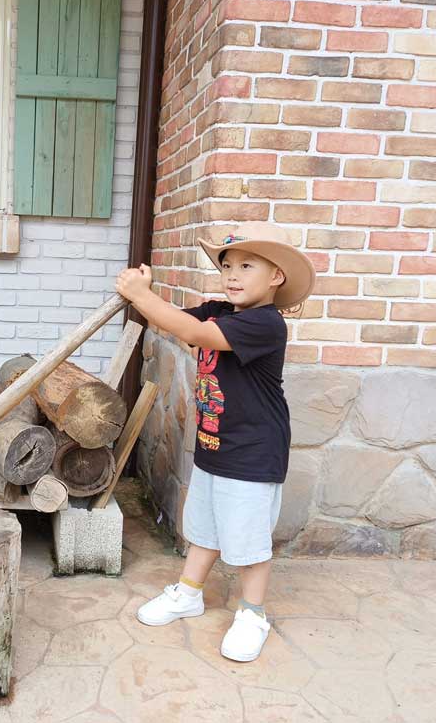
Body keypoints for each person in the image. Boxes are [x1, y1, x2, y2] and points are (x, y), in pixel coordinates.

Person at [114, 221, 316, 662]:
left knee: (247, 539)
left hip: (253, 450)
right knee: (204, 525)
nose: (232, 274)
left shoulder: (265, 325)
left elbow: (197, 335)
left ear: (276, 277)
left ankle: (252, 613)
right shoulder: (220, 311)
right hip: (214, 442)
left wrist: (143, 296)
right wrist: (145, 295)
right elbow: (180, 322)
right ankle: (189, 592)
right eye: (227, 265)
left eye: (247, 265)